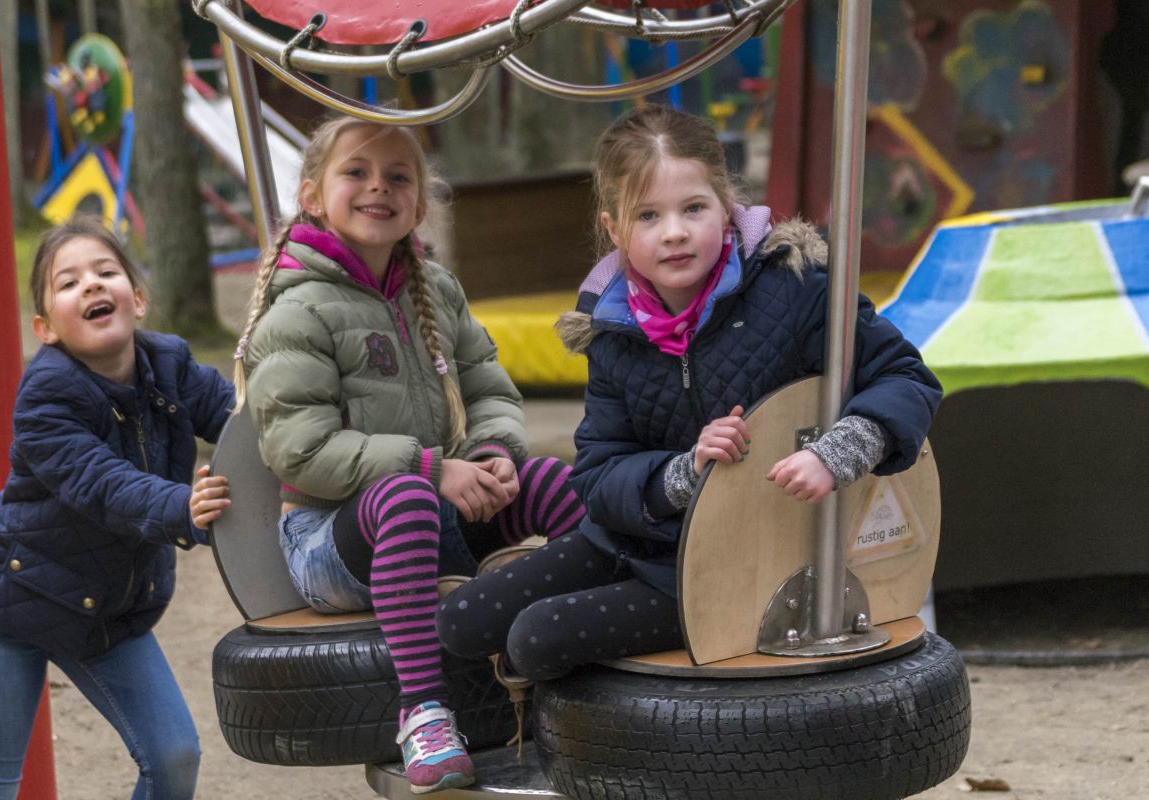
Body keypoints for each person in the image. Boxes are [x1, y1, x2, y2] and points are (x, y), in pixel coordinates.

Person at [437, 105, 942, 682]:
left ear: (726, 208)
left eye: (693, 208)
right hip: (640, 543)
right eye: (648, 215)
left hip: (744, 562)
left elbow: (906, 377)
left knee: (536, 638)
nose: (674, 232)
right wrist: (683, 472)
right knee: (463, 620)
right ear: (615, 230)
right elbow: (599, 476)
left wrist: (834, 454)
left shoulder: (795, 288)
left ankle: (617, 729)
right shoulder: (612, 328)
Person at [234, 117, 585, 794]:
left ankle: (575, 672)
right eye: (356, 173)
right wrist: (431, 467)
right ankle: (423, 712)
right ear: (312, 195)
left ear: (419, 204)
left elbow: (488, 386)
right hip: (330, 542)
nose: (378, 188)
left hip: (435, 510)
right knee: (406, 496)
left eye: (398, 177)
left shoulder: (436, 291)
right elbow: (298, 449)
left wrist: (491, 453)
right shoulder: (297, 310)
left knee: (552, 481)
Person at [0, 215, 234, 800]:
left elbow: (244, 425)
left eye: (106, 272)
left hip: (104, 610)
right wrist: (186, 506)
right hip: (8, 602)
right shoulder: (45, 398)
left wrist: (300, 436)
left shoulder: (171, 366)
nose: (92, 286)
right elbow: (104, 486)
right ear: (46, 327)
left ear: (140, 296)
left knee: (174, 757)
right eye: (69, 282)